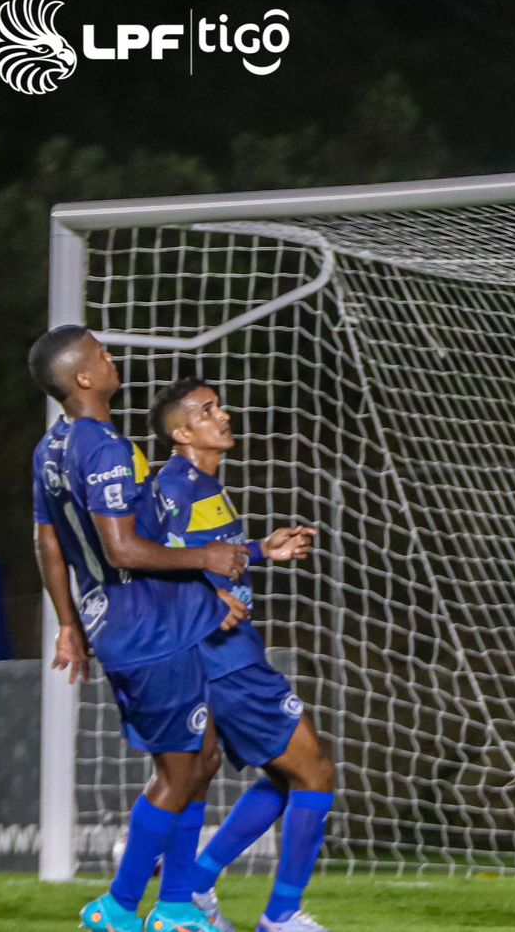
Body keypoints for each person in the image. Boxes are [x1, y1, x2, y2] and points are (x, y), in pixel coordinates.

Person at [27, 325, 248, 932]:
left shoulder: (50, 449)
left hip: (134, 621)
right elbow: (122, 549)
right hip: (144, 627)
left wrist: (69, 624)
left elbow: (48, 542)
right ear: (83, 379)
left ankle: (176, 906)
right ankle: (120, 907)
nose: (111, 357)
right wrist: (208, 558)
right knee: (178, 773)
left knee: (201, 757)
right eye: (101, 353)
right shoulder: (106, 449)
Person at [148, 376, 334, 932]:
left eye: (220, 406)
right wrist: (209, 602)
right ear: (182, 432)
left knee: (285, 777)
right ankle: (279, 916)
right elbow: (146, 562)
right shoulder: (176, 488)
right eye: (207, 410)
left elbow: (202, 555)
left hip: (226, 655)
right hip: (225, 659)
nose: (222, 415)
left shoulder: (204, 484)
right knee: (316, 773)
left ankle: (199, 883)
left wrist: (260, 549)